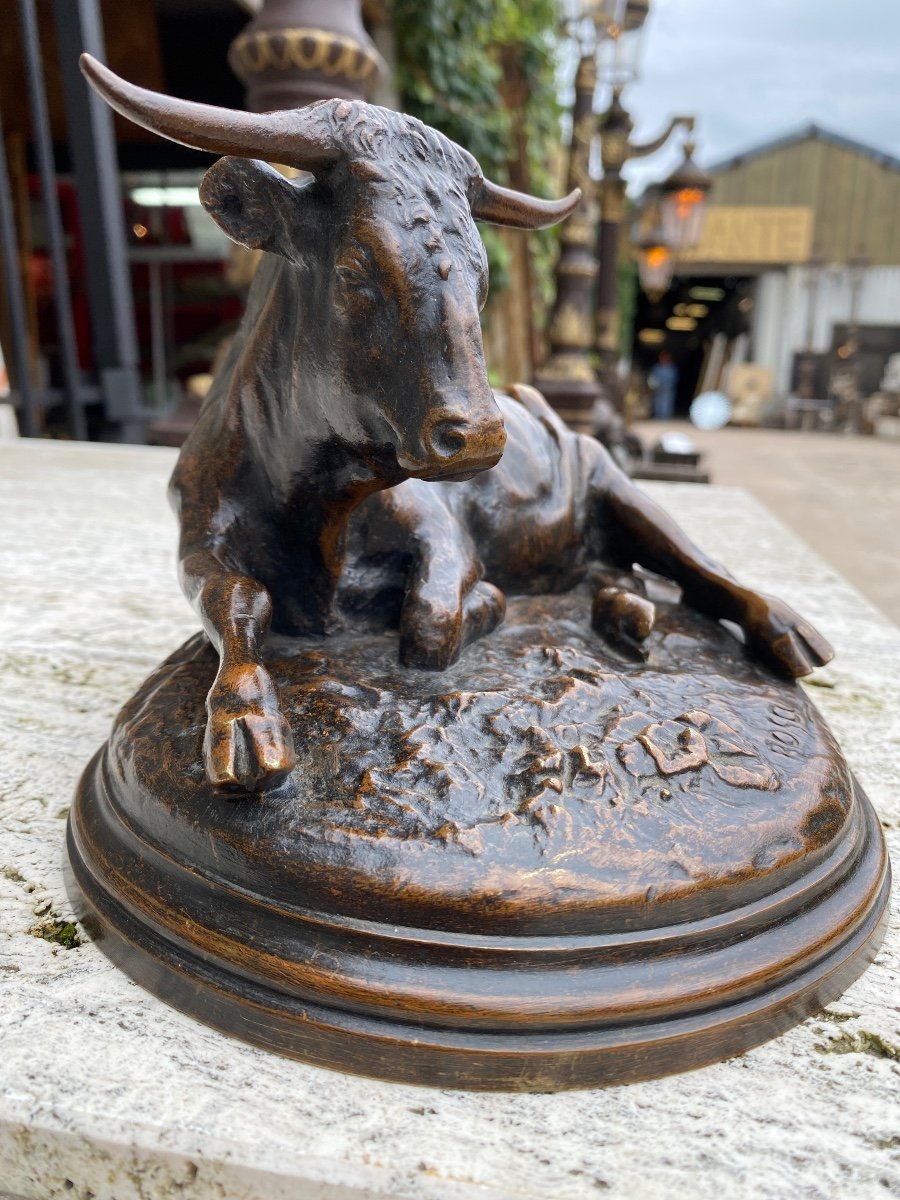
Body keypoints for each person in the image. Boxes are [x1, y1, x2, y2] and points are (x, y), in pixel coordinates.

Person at [649, 352, 679, 420]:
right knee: (657, 402)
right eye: (663, 357)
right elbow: (652, 378)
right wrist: (654, 385)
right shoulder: (657, 367)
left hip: (668, 388)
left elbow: (674, 378)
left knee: (666, 403)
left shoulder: (672, 368)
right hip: (658, 388)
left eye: (666, 357)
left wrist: (668, 384)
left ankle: (665, 418)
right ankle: (657, 416)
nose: (664, 359)